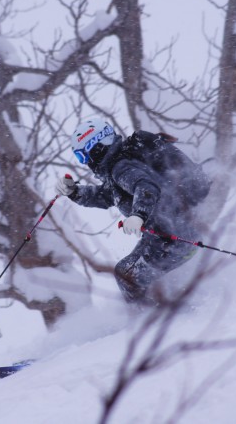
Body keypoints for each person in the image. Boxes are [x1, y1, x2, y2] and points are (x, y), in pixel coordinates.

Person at [55, 118, 209, 305]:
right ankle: (172, 305)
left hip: (176, 238)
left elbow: (146, 187)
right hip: (174, 232)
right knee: (126, 272)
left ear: (95, 147)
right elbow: (105, 196)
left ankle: (157, 319)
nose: (85, 162)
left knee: (127, 277)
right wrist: (75, 192)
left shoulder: (121, 168)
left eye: (83, 156)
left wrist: (138, 215)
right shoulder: (123, 163)